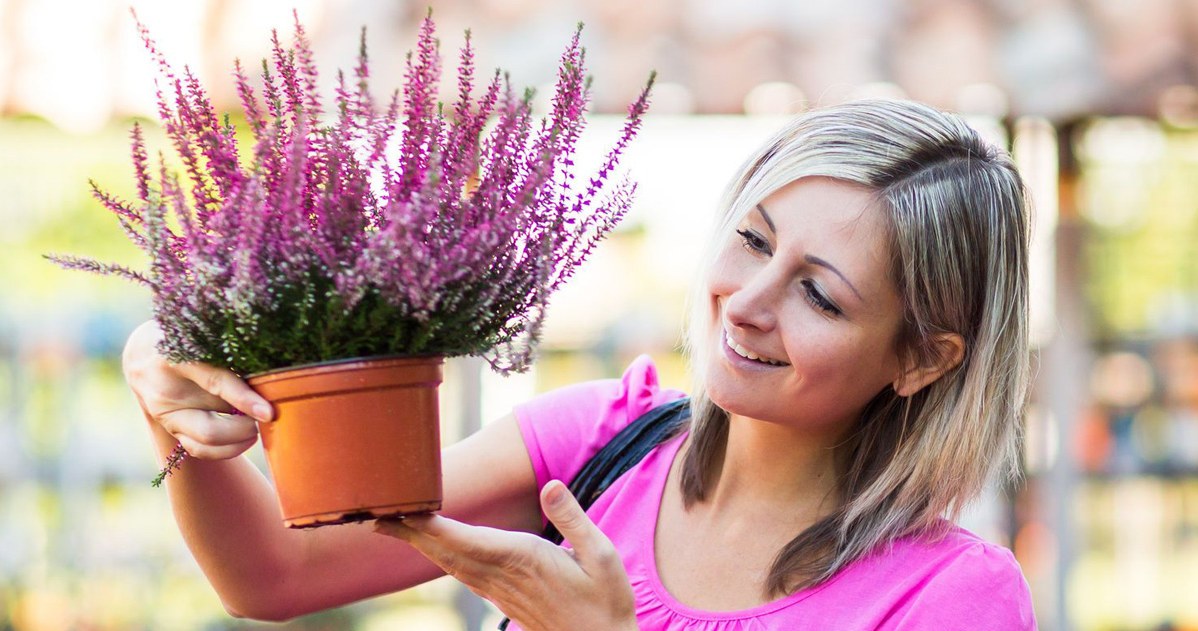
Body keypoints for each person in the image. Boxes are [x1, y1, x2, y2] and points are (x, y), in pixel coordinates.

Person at [121, 98, 1037, 630]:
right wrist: (171, 407)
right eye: (752, 242)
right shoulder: (602, 447)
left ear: (921, 358)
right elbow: (274, 575)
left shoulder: (952, 594)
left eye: (820, 294)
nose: (749, 300)